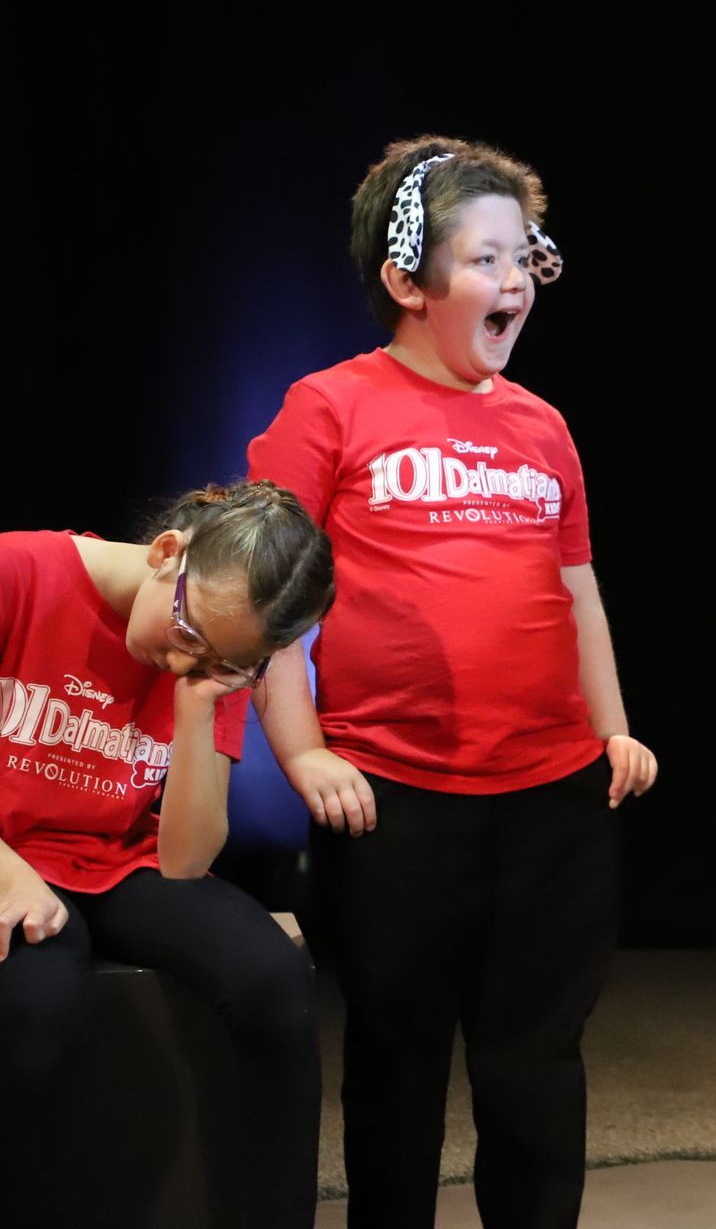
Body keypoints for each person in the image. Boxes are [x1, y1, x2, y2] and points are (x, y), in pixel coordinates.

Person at [248, 135, 659, 1229]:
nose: (515, 282)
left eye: (526, 257)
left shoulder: (541, 426)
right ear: (406, 281)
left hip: (551, 792)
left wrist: (612, 728)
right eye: (484, 259)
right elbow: (267, 604)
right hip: (395, 792)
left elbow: (578, 592)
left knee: (535, 1061)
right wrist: (303, 752)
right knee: (397, 1060)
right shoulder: (328, 407)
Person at [0, 481, 334, 1227]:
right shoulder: (20, 573)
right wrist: (6, 869)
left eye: (220, 659)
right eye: (188, 633)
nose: (186, 660)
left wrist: (197, 705)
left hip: (114, 858)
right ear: (165, 554)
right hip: (10, 853)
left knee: (274, 980)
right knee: (34, 1005)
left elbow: (184, 859)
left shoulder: (217, 661)